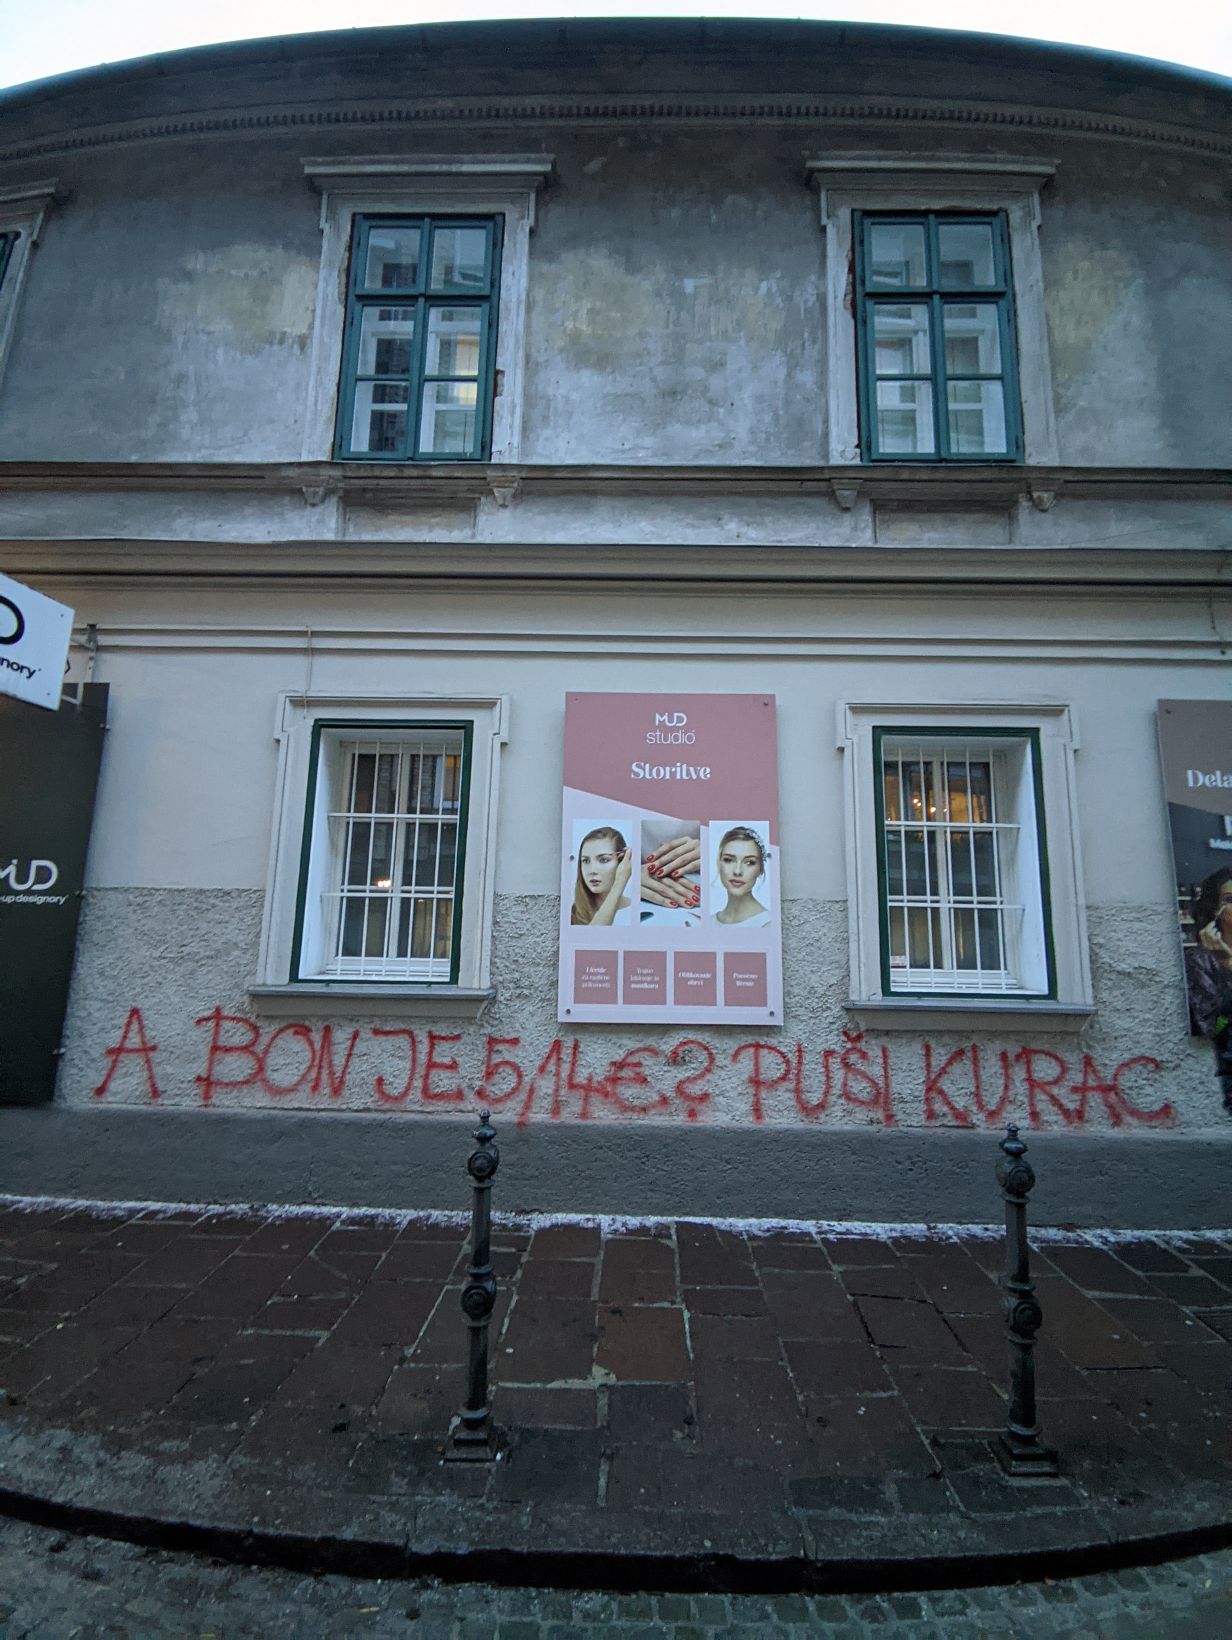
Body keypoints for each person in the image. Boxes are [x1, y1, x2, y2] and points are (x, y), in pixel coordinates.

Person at [1184, 868, 1232, 1111]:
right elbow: (1213, 1024)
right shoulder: (1200, 960)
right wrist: (1226, 966)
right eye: (1230, 899)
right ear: (1216, 910)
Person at [571, 825, 633, 925]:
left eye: (603, 860)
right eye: (586, 861)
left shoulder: (636, 911)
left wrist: (621, 880)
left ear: (622, 861)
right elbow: (593, 934)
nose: (592, 870)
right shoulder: (571, 914)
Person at [713, 825, 771, 928]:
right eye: (728, 860)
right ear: (719, 863)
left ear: (761, 869)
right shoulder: (708, 921)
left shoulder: (768, 924)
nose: (737, 871)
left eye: (749, 862)